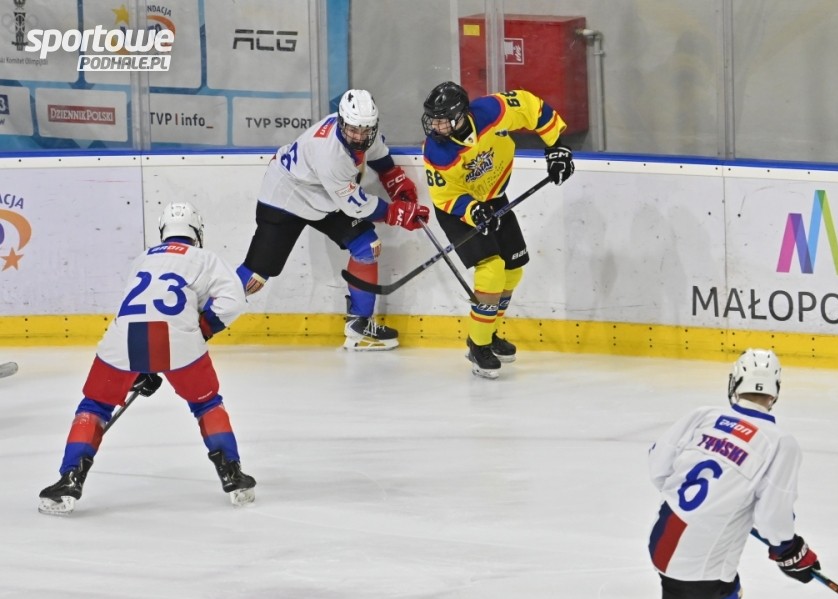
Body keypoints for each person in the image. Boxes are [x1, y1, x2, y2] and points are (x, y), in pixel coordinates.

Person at [571, 349, 820, 599]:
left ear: (735, 382)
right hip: (697, 560)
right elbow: (773, 516)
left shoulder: (704, 416)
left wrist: (718, 507)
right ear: (775, 392)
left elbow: (659, 468)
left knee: (727, 596)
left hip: (665, 536)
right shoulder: (779, 442)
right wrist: (790, 551)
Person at [38, 203, 255, 515]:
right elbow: (233, 302)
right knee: (207, 404)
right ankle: (233, 475)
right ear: (197, 231)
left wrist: (141, 367)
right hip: (181, 342)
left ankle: (69, 479)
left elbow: (141, 310)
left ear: (163, 230)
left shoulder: (143, 258)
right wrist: (203, 328)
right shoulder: (205, 258)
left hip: (123, 341)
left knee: (94, 407)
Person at [237, 88, 428, 351]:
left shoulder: (363, 130)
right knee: (256, 276)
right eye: (353, 130)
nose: (359, 136)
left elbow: (379, 156)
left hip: (322, 195)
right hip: (285, 198)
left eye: (365, 130)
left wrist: (394, 179)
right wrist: (399, 213)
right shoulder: (330, 154)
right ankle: (201, 313)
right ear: (341, 122)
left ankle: (359, 327)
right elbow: (358, 207)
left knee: (367, 246)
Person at [420, 81, 575, 378]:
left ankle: (488, 333)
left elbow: (530, 106)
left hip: (493, 198)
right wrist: (473, 211)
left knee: (513, 269)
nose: (435, 126)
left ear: (461, 115)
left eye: (442, 119)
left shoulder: (492, 111)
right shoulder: (437, 150)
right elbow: (444, 197)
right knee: (491, 270)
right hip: (458, 209)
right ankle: (478, 346)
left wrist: (556, 147)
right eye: (433, 119)